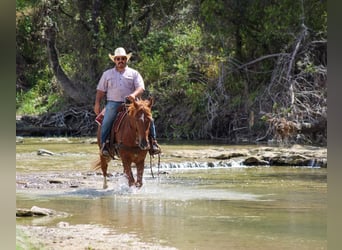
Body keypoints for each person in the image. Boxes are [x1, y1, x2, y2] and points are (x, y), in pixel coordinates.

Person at [94, 47, 161, 156]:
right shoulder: (107, 74)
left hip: (133, 103)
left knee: (148, 118)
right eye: (118, 58)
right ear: (114, 60)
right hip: (114, 102)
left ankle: (153, 142)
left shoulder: (134, 73)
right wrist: (97, 103)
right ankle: (105, 144)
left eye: (123, 58)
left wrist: (133, 95)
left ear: (126, 59)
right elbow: (100, 90)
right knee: (107, 119)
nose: (120, 60)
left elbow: (141, 87)